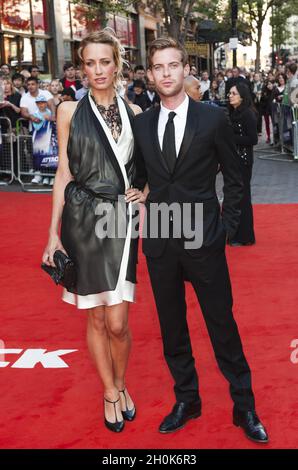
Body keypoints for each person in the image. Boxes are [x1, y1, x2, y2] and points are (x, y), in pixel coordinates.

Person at [133, 37, 268, 443]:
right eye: (159, 67)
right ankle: (187, 399)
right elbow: (141, 177)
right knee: (172, 330)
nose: (167, 73)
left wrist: (226, 226)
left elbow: (235, 177)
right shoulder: (141, 124)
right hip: (159, 239)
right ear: (150, 73)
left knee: (221, 326)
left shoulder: (212, 119)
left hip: (204, 238)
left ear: (184, 69)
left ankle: (244, 405)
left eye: (174, 65)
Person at [42, 29, 144, 433]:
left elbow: (145, 171)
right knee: (97, 317)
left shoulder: (135, 113)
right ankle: (111, 390)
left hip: (121, 220)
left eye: (105, 61)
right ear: (81, 68)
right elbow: (63, 173)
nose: (98, 70)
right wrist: (52, 234)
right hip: (82, 221)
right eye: (90, 63)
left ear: (116, 64)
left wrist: (145, 192)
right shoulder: (68, 111)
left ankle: (120, 383)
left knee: (118, 320)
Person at [227, 83, 258, 246]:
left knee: (243, 197)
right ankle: (235, 233)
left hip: (244, 161)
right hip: (235, 160)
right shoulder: (234, 113)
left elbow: (253, 139)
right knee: (236, 198)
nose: (230, 95)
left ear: (242, 96)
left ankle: (246, 236)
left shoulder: (247, 114)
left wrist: (230, 139)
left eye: (233, 93)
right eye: (230, 93)